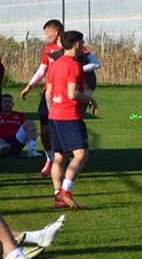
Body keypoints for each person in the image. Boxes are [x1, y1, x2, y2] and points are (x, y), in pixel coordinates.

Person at [20, 19, 101, 178]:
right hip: (51, 89)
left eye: (47, 33)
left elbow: (96, 63)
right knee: (45, 124)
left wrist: (74, 70)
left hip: (70, 91)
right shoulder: (49, 49)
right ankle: (51, 158)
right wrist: (29, 86)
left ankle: (72, 158)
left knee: (70, 122)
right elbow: (42, 70)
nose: (46, 37)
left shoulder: (75, 47)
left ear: (55, 31)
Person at [45, 30, 98, 210]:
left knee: (59, 157)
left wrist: (53, 109)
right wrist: (90, 99)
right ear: (76, 44)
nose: (83, 47)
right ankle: (65, 191)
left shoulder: (55, 64)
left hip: (54, 115)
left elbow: (48, 94)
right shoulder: (74, 66)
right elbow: (72, 94)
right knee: (81, 155)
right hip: (69, 116)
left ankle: (57, 197)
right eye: (82, 43)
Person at [0, 94, 41, 158]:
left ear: (13, 104)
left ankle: (32, 150)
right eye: (4, 102)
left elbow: (26, 131)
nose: (7, 104)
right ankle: (2, 148)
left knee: (29, 123)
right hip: (1, 141)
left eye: (9, 102)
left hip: (16, 142)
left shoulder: (20, 115)